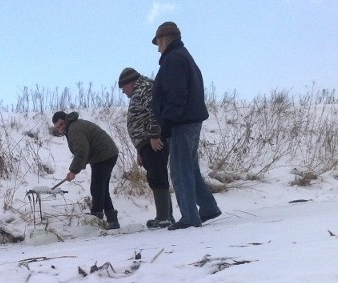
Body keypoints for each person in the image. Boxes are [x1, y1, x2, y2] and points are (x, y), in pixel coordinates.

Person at [151, 22, 221, 229]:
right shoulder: (184, 56)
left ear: (165, 39)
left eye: (158, 43)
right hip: (188, 120)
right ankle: (208, 207)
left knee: (180, 171)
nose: (157, 48)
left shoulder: (173, 59)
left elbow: (176, 95)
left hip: (181, 122)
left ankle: (190, 217)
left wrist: (166, 123)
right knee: (189, 168)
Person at [118, 67, 174, 229]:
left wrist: (155, 136)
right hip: (146, 143)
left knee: (158, 175)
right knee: (155, 176)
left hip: (153, 140)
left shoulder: (145, 88)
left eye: (123, 88)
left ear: (131, 82)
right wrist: (140, 150)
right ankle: (166, 216)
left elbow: (154, 111)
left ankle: (164, 217)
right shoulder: (139, 91)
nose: (123, 92)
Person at [51, 111, 120, 230]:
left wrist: (73, 170)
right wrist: (75, 169)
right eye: (58, 127)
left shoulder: (74, 129)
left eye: (61, 124)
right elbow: (83, 150)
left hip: (104, 155)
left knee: (97, 188)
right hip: (103, 155)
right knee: (101, 188)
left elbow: (82, 151)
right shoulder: (72, 127)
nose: (61, 128)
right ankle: (112, 220)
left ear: (66, 119)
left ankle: (96, 219)